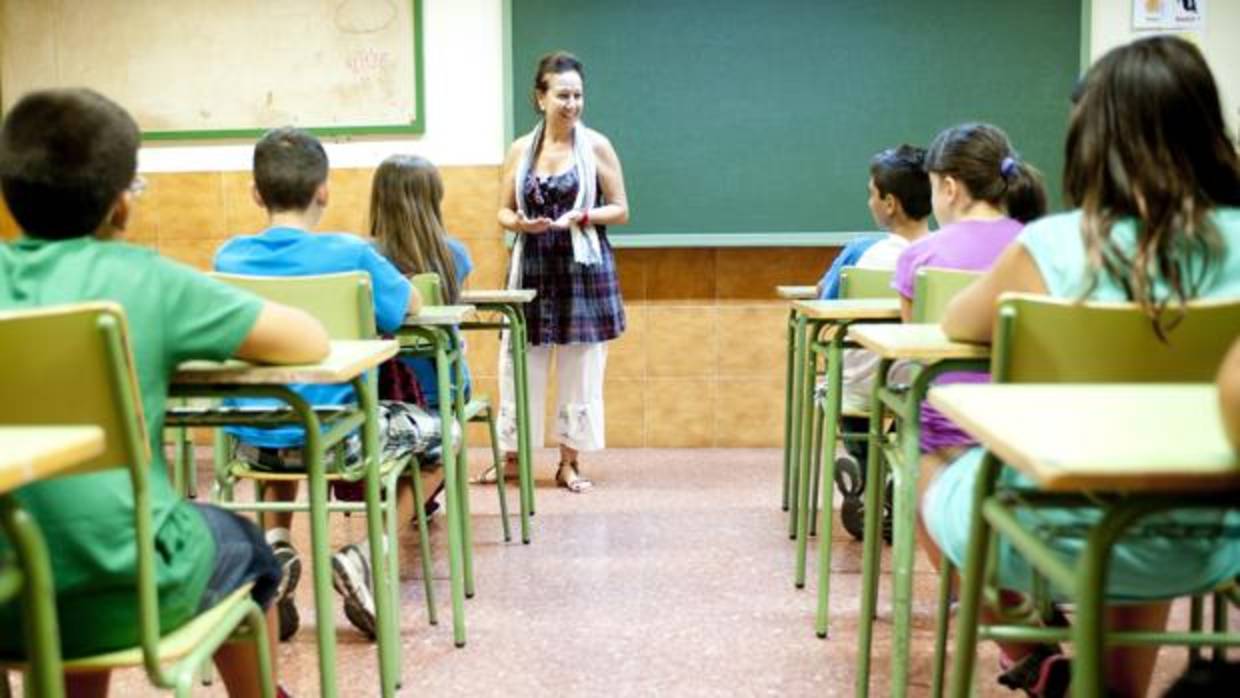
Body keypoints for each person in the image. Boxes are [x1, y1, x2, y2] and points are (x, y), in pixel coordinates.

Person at [930, 35, 1240, 696]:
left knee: (940, 493)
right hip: (1217, 532)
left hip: (1054, 523)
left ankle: (1040, 656)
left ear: (1094, 142)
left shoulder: (1050, 246)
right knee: (1147, 487)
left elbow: (957, 322)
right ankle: (1111, 686)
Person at [0, 88, 328, 698]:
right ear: (123, 203)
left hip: (8, 598)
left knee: (53, 537)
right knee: (249, 548)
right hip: (134, 588)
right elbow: (306, 340)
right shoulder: (148, 280)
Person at [213, 127, 424, 641]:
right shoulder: (352, 256)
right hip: (342, 440)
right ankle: (367, 554)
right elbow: (410, 308)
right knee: (442, 436)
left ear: (255, 194)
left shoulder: (228, 259)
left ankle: (278, 541)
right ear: (324, 190)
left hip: (251, 441)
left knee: (279, 415)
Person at [496, 51, 630, 493]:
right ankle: (513, 459)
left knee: (581, 368)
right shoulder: (520, 149)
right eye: (562, 95)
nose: (571, 104)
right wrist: (520, 224)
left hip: (582, 271)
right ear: (540, 98)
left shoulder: (596, 146)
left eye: (578, 95)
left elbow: (621, 209)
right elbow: (503, 210)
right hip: (531, 267)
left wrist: (585, 216)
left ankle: (569, 462)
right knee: (519, 361)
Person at [890, 122, 1046, 464]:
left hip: (945, 431)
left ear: (948, 188)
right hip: (1024, 430)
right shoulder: (1041, 248)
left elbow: (914, 353)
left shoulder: (918, 256)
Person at [368, 153, 474, 408]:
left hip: (382, 388)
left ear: (379, 200)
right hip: (445, 384)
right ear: (435, 198)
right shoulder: (455, 255)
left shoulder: (366, 258)